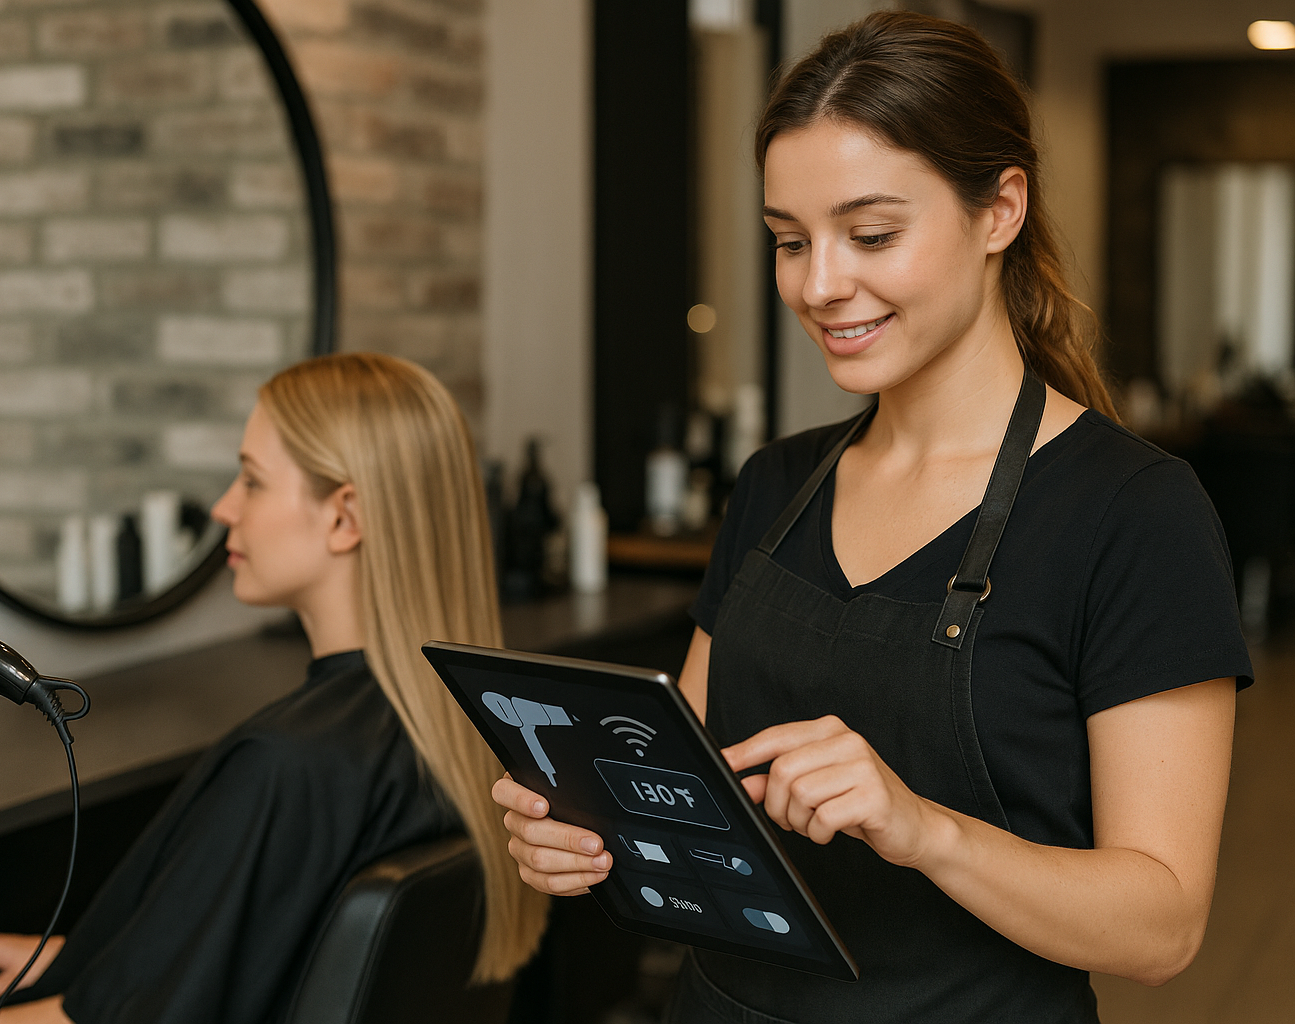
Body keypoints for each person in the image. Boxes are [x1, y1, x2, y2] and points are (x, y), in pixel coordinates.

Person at [493, 12, 1251, 1023]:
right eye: (789, 241)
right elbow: (701, 792)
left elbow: (1162, 925)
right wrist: (589, 823)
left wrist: (921, 826)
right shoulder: (775, 485)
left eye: (872, 233)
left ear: (1001, 210)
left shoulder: (1133, 514)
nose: (818, 285)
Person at [0, 353, 549, 1023]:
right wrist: (94, 955)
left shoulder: (289, 760)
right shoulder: (471, 730)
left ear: (345, 518)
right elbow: (281, 947)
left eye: (252, 482)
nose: (226, 507)